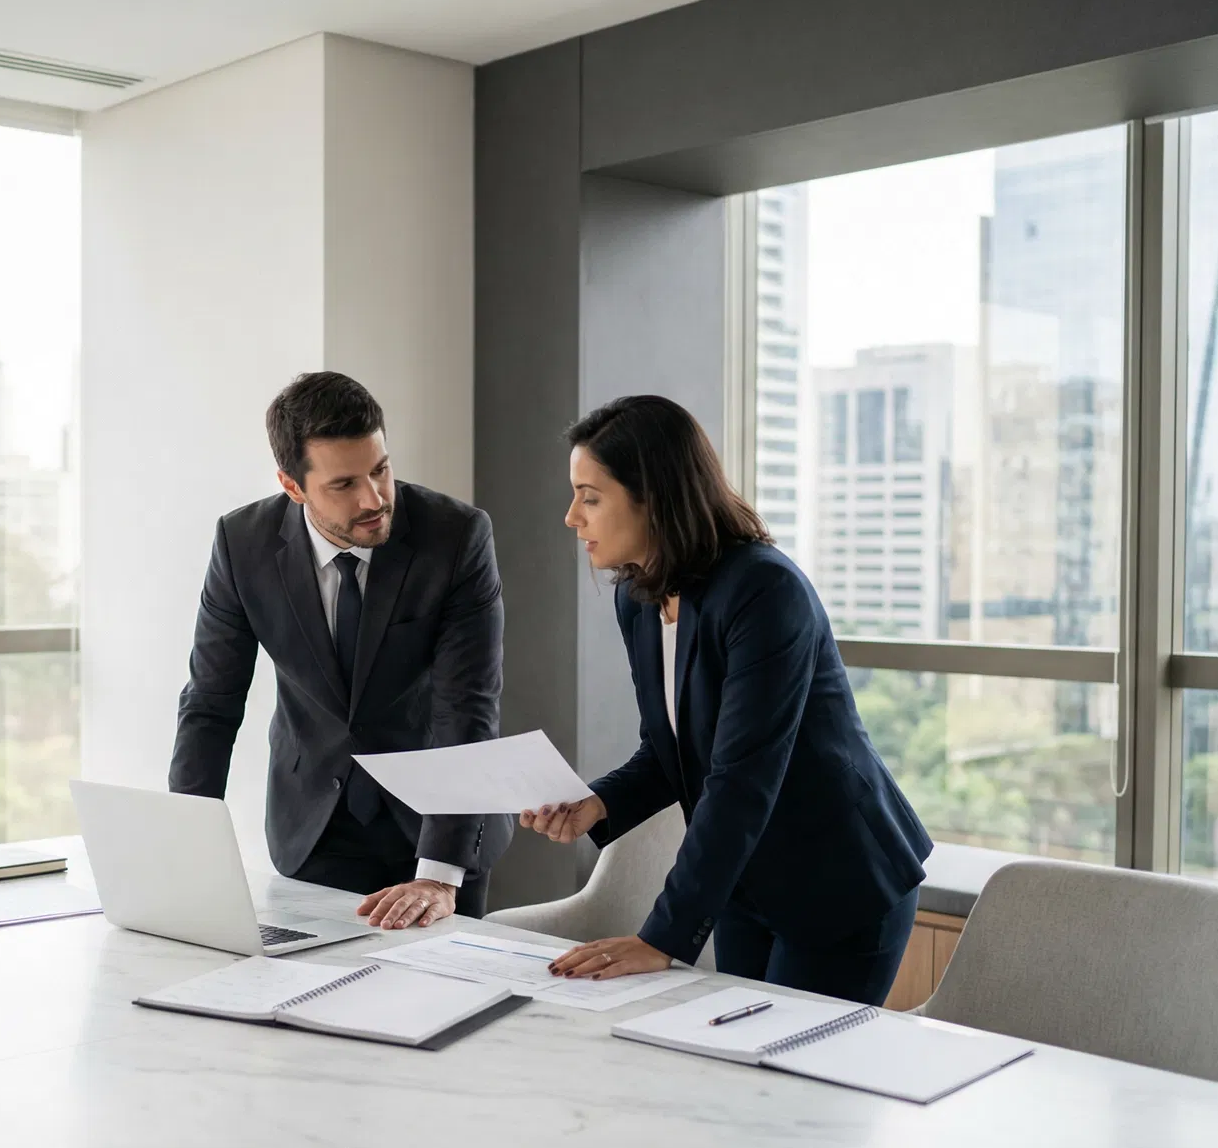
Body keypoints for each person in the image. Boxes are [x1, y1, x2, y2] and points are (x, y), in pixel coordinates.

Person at [521, 395, 932, 1006]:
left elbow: (741, 778)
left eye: (591, 496)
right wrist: (596, 804)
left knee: (795, 1084)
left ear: (653, 496)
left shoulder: (765, 592)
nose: (571, 517)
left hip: (838, 879)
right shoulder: (637, 596)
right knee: (736, 1072)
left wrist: (661, 938)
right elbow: (671, 752)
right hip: (746, 882)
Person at [170, 372, 511, 927]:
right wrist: (186, 848)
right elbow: (211, 702)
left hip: (439, 823)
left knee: (443, 1003)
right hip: (313, 826)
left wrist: (438, 873)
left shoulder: (455, 537)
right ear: (293, 485)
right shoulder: (243, 545)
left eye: (380, 469)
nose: (374, 499)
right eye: (344, 484)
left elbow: (467, 709)